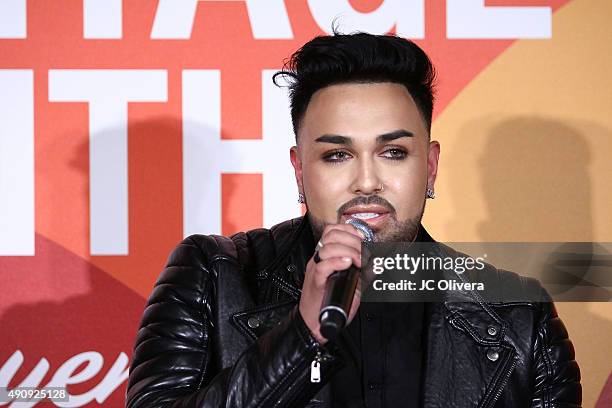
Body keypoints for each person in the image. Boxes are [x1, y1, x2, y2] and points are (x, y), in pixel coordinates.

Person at [125, 33, 581, 407]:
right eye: (337, 154)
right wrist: (301, 337)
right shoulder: (214, 273)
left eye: (394, 152)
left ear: (431, 167)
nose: (366, 181)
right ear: (300, 170)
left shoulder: (519, 313)